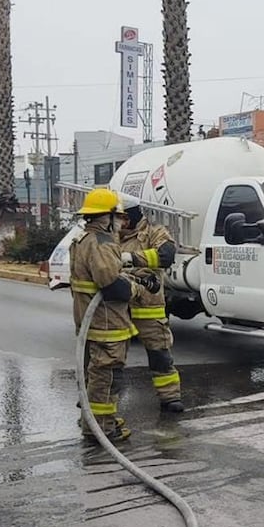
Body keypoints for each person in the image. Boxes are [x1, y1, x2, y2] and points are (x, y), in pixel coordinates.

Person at [69, 188, 161, 443]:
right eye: (118, 217)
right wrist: (138, 289)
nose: (122, 222)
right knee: (106, 376)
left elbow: (104, 276)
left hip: (92, 323)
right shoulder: (103, 243)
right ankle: (101, 428)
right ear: (107, 217)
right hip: (106, 324)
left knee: (97, 374)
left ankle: (95, 421)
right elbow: (111, 286)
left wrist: (133, 275)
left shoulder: (82, 239)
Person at [117, 194, 185, 413]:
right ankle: (99, 399)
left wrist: (133, 259)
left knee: (160, 355)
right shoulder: (109, 236)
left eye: (122, 217)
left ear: (132, 216)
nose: (119, 222)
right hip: (118, 307)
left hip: (148, 307)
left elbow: (166, 255)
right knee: (111, 357)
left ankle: (170, 397)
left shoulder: (155, 232)